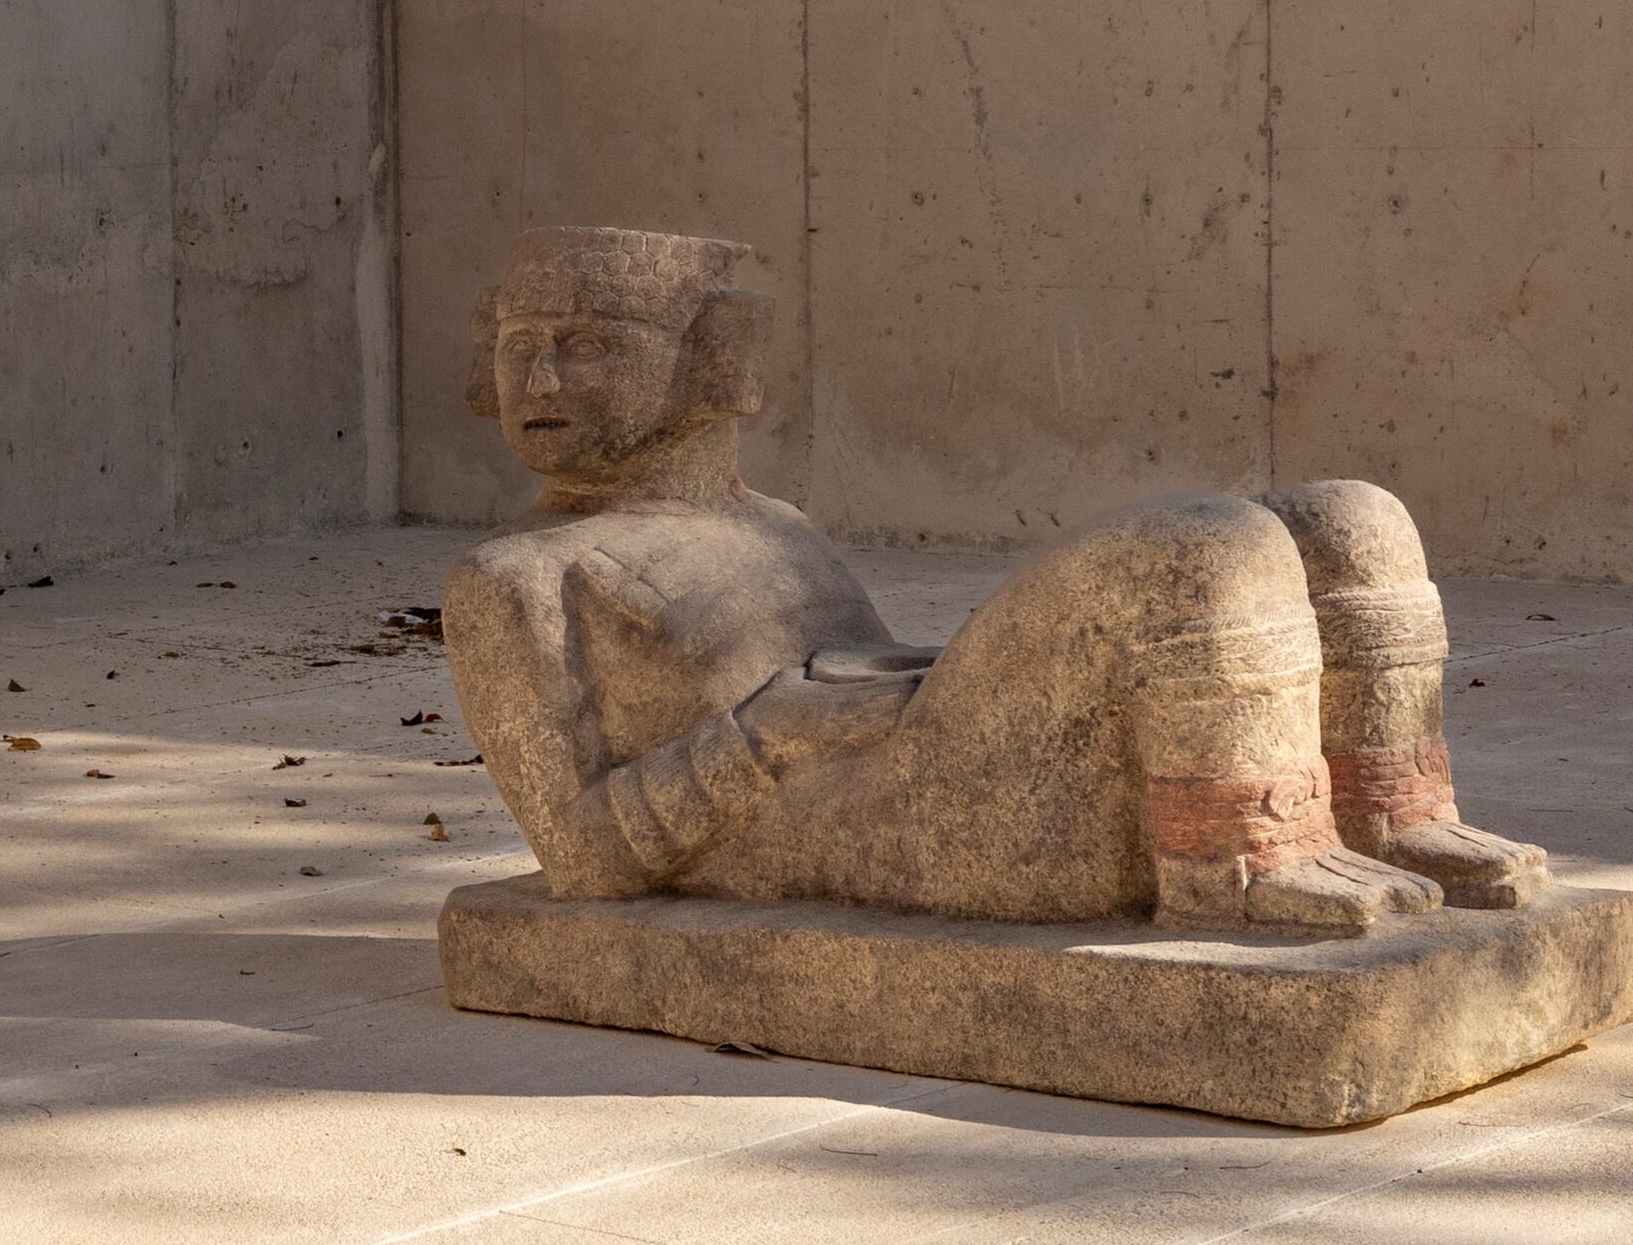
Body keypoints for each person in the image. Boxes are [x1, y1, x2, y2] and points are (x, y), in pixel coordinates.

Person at [438, 226, 1549, 933]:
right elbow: (578, 859)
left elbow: (855, 675)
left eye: (586, 345)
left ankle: (1394, 818)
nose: (540, 377)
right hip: (877, 828)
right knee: (1199, 545)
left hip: (911, 768)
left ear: (709, 361)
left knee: (1347, 519)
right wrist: (762, 735)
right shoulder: (518, 578)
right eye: (521, 346)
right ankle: (1241, 869)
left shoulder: (763, 521)